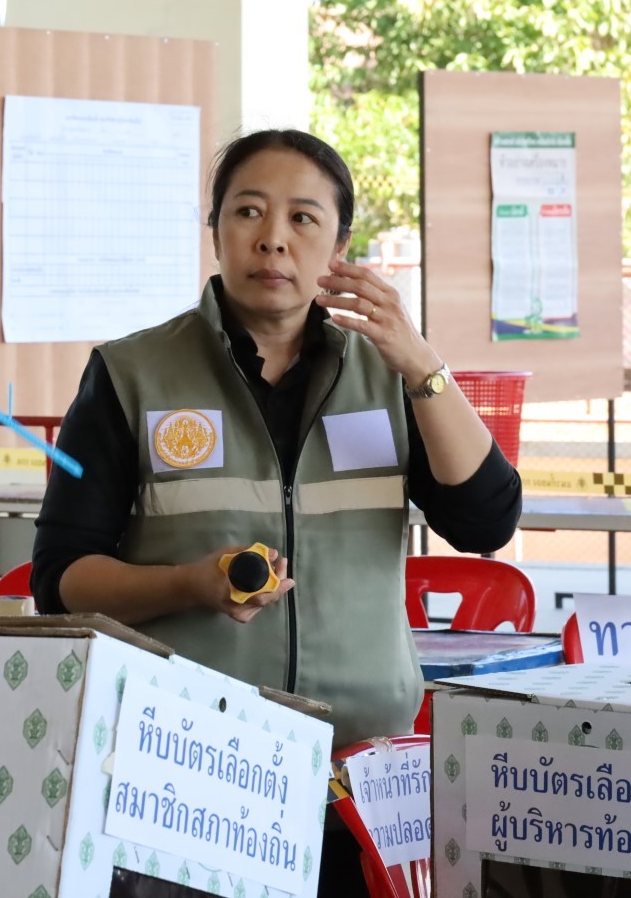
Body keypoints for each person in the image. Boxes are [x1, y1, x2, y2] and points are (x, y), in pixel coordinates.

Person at [30, 128, 521, 896]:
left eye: (303, 218)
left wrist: (421, 364)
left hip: (360, 780)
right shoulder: (132, 374)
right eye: (248, 212)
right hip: (190, 773)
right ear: (216, 230)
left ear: (341, 245)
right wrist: (188, 585)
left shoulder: (389, 377)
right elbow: (60, 582)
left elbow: (486, 522)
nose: (273, 240)